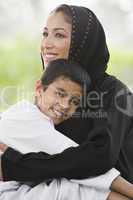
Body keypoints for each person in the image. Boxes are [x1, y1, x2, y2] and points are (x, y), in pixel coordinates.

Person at [0, 3, 133, 198]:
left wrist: (20, 165)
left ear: (83, 43)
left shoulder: (116, 92)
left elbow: (100, 155)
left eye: (59, 35)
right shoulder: (49, 95)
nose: (47, 43)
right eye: (45, 34)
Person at [0, 58, 131, 200]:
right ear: (39, 89)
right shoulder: (26, 118)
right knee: (68, 187)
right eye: (60, 94)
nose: (65, 105)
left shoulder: (34, 117)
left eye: (74, 101)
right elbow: (82, 164)